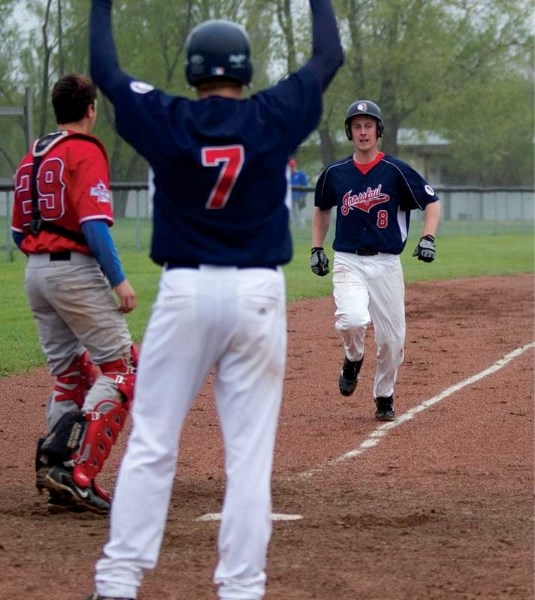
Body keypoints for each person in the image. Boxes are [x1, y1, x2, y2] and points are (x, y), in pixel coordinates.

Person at [86, 0, 343, 598]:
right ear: (245, 71)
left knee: (153, 441)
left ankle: (118, 583)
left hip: (186, 289)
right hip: (258, 292)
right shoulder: (271, 115)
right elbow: (329, 56)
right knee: (248, 458)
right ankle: (242, 588)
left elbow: (105, 70)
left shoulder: (167, 116)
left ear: (195, 71)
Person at [11, 73, 138, 515]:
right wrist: (118, 279)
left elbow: (15, 231)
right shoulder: (83, 150)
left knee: (70, 375)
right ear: (91, 109)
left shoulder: (33, 156)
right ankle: (79, 473)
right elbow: (93, 225)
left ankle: (54, 465)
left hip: (35, 272)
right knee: (122, 371)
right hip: (75, 270)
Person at [310, 100, 441, 421]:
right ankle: (353, 357)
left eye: (369, 125)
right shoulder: (335, 173)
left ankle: (384, 395)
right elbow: (322, 209)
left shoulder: (395, 170)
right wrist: (317, 248)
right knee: (353, 320)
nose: (363, 131)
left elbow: (432, 202)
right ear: (350, 132)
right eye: (357, 126)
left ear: (378, 131)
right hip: (348, 261)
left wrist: (428, 238)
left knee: (392, 340)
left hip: (386, 264)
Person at [289, 158, 309, 229]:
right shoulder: (288, 176)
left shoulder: (300, 174)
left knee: (300, 213)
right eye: (291, 167)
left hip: (300, 197)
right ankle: (296, 227)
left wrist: (303, 196)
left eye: (293, 166)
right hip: (291, 199)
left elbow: (305, 186)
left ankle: (301, 227)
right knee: (293, 214)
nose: (292, 168)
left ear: (295, 166)